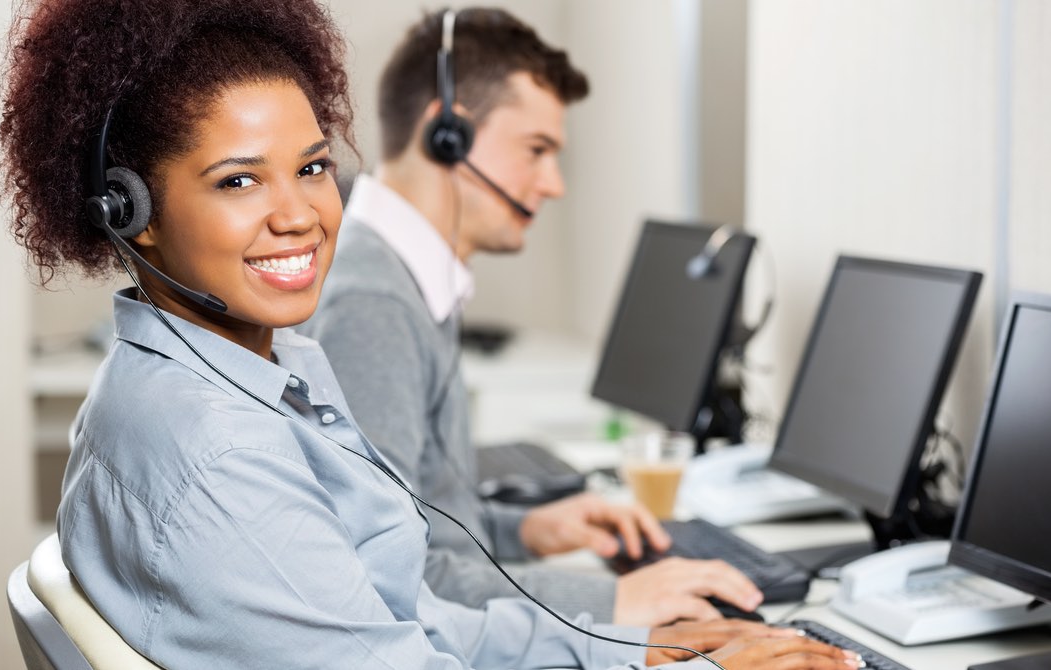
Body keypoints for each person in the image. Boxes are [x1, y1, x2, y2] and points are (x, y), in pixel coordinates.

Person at [0, 0, 862, 668]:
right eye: (238, 182)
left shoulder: (245, 369)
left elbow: (407, 611)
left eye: (311, 168)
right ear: (131, 213)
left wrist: (648, 649)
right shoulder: (217, 449)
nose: (298, 214)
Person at [301, 7, 763, 627]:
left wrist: (528, 529)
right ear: (448, 137)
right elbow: (393, 579)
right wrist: (614, 602)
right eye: (536, 150)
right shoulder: (374, 305)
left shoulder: (403, 275)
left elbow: (418, 518)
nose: (554, 184)